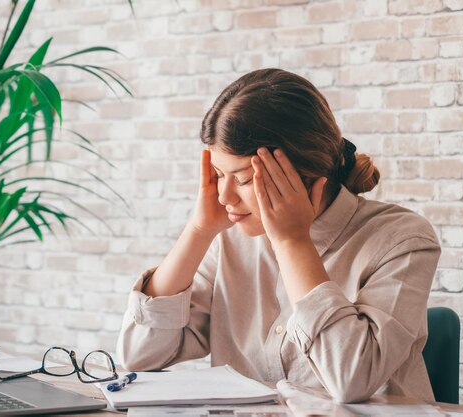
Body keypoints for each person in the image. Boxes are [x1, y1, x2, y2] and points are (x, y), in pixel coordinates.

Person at [116, 68, 441, 403]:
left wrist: (292, 242)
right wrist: (198, 231)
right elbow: (140, 356)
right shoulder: (230, 238)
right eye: (217, 174)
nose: (224, 197)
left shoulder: (402, 239)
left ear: (304, 172)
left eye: (242, 180)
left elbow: (351, 380)